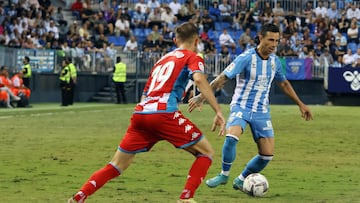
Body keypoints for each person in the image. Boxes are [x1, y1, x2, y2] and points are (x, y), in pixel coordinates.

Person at [67, 22, 226, 203]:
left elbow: (145, 93)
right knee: (206, 153)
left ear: (175, 40)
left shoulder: (161, 60)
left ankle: (80, 195)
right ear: (196, 40)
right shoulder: (193, 56)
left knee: (116, 165)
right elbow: (198, 79)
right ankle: (185, 198)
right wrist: (218, 110)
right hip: (164, 114)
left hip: (141, 115)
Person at [188, 23, 313, 193]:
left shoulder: (275, 61)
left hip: (262, 111)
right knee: (232, 137)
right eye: (270, 40)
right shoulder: (246, 57)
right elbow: (223, 78)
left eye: (277, 41)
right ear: (260, 38)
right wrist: (202, 96)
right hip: (241, 106)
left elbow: (283, 83)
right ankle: (224, 175)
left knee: (267, 155)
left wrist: (300, 104)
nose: (274, 44)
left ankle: (240, 179)